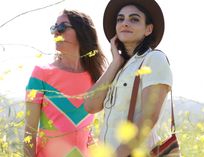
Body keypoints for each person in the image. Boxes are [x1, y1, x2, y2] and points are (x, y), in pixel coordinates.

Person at [84, 0, 172, 156]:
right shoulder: (119, 68)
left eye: (134, 19)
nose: (125, 23)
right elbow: (90, 106)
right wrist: (115, 62)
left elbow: (149, 116)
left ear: (148, 29)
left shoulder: (154, 59)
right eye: (120, 19)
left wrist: (120, 153)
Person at [24, 9, 107, 157]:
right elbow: (30, 132)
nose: (56, 32)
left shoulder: (96, 77)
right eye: (54, 28)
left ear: (81, 32)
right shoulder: (40, 74)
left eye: (62, 27)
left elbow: (87, 132)